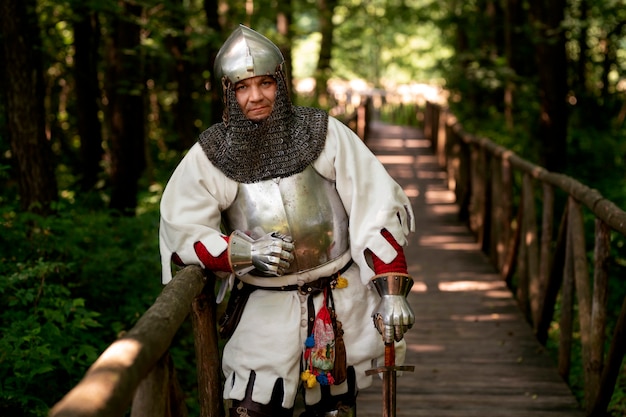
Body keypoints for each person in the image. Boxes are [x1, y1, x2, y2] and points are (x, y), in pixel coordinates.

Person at [159, 24, 415, 417]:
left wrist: (392, 289)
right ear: (228, 93)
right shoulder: (211, 156)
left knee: (335, 409)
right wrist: (242, 251)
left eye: (265, 83)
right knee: (255, 407)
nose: (256, 96)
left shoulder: (324, 134)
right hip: (264, 305)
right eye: (242, 87)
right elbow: (184, 230)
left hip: (338, 302)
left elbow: (374, 206)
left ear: (281, 82)